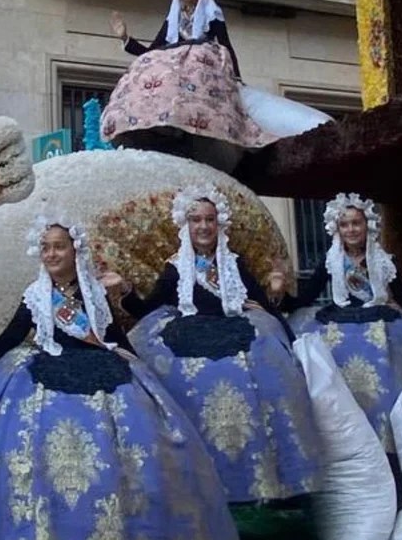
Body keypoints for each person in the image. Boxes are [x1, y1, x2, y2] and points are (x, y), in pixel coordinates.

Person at [0, 216, 241, 540]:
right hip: (45, 376)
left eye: (59, 247)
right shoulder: (35, 296)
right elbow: (1, 348)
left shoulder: (94, 293)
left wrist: (146, 379)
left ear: (74, 250)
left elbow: (116, 340)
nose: (51, 254)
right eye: (46, 247)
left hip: (103, 374)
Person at [104, 185, 326, 504]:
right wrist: (123, 289)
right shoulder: (175, 268)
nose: (204, 226)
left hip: (237, 333)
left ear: (218, 223)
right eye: (196, 220)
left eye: (209, 219)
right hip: (185, 336)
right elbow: (145, 309)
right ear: (186, 225)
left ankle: (264, 477)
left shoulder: (233, 264)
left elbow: (264, 305)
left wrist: (277, 302)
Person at [101, 0, 326, 170]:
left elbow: (226, 45)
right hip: (177, 69)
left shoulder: (211, 12)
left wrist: (236, 78)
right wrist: (126, 38)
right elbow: (153, 51)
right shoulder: (173, 19)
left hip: (202, 67)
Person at [288, 194, 402, 451]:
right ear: (337, 228)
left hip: (382, 328)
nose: (351, 229)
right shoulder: (331, 260)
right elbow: (305, 298)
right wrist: (278, 295)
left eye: (356, 223)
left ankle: (387, 445)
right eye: (345, 224)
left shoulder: (383, 261)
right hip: (337, 329)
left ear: (368, 224)